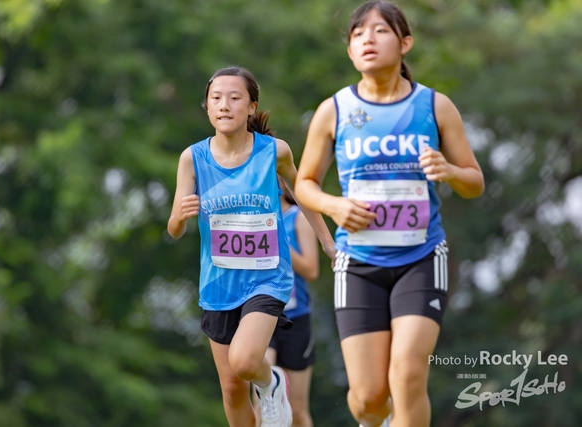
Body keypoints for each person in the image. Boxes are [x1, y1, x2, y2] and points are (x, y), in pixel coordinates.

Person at [294, 2, 485, 427]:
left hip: (421, 257)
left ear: (405, 43)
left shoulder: (435, 106)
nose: (368, 39)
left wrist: (449, 171)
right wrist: (334, 205)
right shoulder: (334, 110)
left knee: (408, 375)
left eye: (380, 31)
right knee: (369, 400)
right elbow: (304, 183)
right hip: (359, 264)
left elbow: (474, 181)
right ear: (349, 51)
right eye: (358, 34)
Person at [167, 65, 335, 427]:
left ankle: (271, 382)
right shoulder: (192, 158)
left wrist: (327, 241)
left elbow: (303, 195)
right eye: (216, 98)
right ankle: (264, 392)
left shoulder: (274, 152)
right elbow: (175, 229)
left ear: (251, 107)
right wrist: (179, 216)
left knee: (245, 362)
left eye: (234, 98)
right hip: (218, 284)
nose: (224, 105)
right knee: (232, 389)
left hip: (266, 278)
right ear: (207, 107)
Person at [256, 181, 319, 427]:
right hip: (260, 316)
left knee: (297, 410)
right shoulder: (250, 220)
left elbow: (311, 270)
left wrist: (277, 241)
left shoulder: (298, 218)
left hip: (295, 317)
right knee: (262, 402)